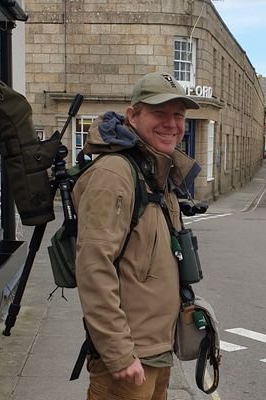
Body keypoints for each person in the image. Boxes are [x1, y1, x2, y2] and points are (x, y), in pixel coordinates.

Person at [73, 71, 201, 400]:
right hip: (129, 359)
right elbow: (93, 267)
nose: (171, 124)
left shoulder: (157, 172)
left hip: (156, 351)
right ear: (133, 116)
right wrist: (118, 353)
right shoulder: (116, 173)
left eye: (178, 115)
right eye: (159, 113)